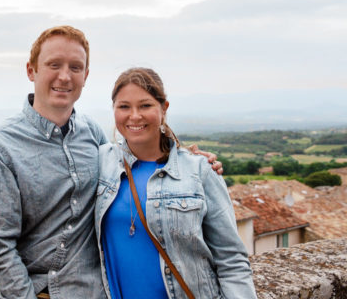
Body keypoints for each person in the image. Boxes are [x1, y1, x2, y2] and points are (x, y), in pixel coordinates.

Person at [0, 26, 222, 299]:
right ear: (31, 71)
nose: (65, 76)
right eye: (54, 65)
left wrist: (190, 160)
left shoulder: (92, 133)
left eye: (75, 67)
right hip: (34, 291)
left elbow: (135, 160)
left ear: (86, 76)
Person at [95, 67, 256, 299]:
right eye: (124, 107)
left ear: (164, 109)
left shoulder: (199, 171)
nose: (134, 115)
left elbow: (231, 259)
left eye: (145, 105)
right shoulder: (100, 162)